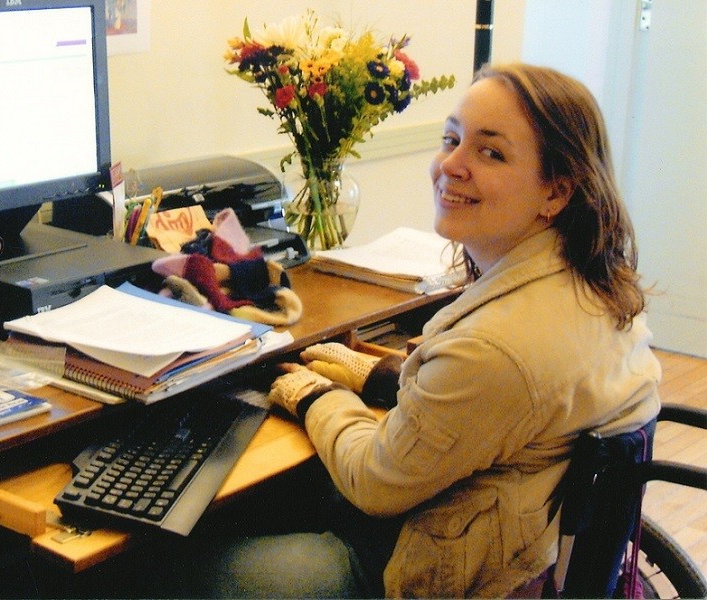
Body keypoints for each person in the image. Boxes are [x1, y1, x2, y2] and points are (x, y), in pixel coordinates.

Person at [147, 63, 662, 599]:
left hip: (424, 565)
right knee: (272, 491)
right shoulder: (595, 286)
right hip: (509, 542)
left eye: (491, 152)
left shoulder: (497, 348)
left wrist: (314, 396)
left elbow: (374, 480)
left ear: (555, 191)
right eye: (451, 139)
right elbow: (498, 416)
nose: (450, 166)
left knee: (170, 569)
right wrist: (378, 374)